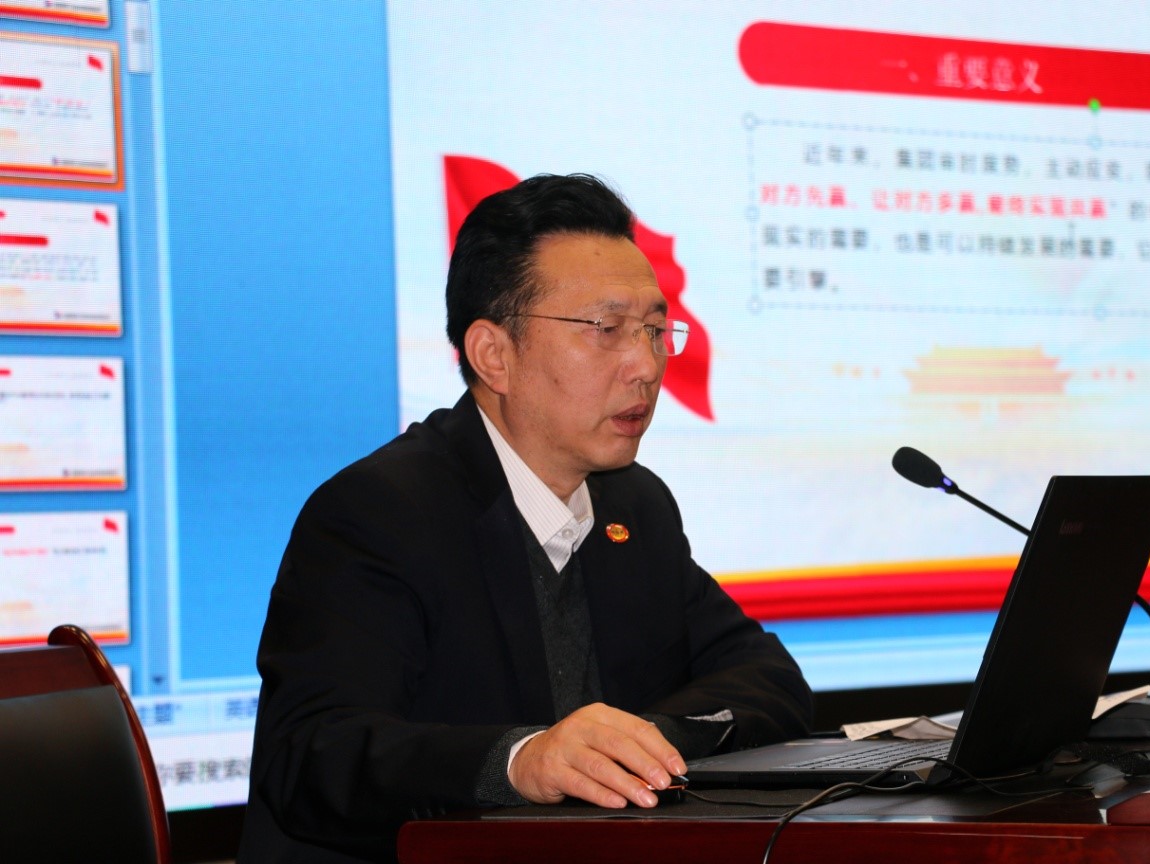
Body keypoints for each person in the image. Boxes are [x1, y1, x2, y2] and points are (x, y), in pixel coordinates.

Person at [237, 173, 813, 862]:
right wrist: (521, 760)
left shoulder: (634, 506)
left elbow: (769, 681)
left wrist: (639, 742)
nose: (645, 365)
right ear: (494, 355)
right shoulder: (378, 512)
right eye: (606, 330)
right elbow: (311, 755)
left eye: (656, 330)